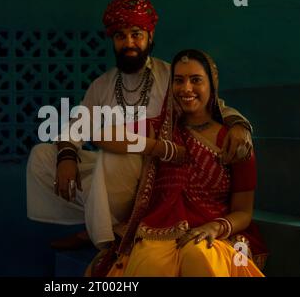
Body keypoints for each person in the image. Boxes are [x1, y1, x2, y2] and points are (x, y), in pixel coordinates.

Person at [26, 0, 254, 250]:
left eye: (136, 34)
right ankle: (108, 226)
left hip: (159, 170)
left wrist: (239, 124)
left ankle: (101, 236)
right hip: (116, 170)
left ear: (150, 34)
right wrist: (67, 155)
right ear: (113, 41)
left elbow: (213, 105)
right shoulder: (102, 84)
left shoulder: (171, 74)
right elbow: (78, 124)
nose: (129, 43)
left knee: (113, 155)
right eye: (120, 36)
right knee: (43, 156)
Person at [88, 49, 268, 277]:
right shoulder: (161, 129)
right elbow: (101, 135)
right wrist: (163, 148)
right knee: (149, 265)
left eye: (196, 80)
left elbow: (243, 211)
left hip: (213, 230)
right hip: (161, 229)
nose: (186, 89)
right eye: (178, 80)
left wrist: (216, 227)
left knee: (198, 256)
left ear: (212, 86)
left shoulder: (233, 141)